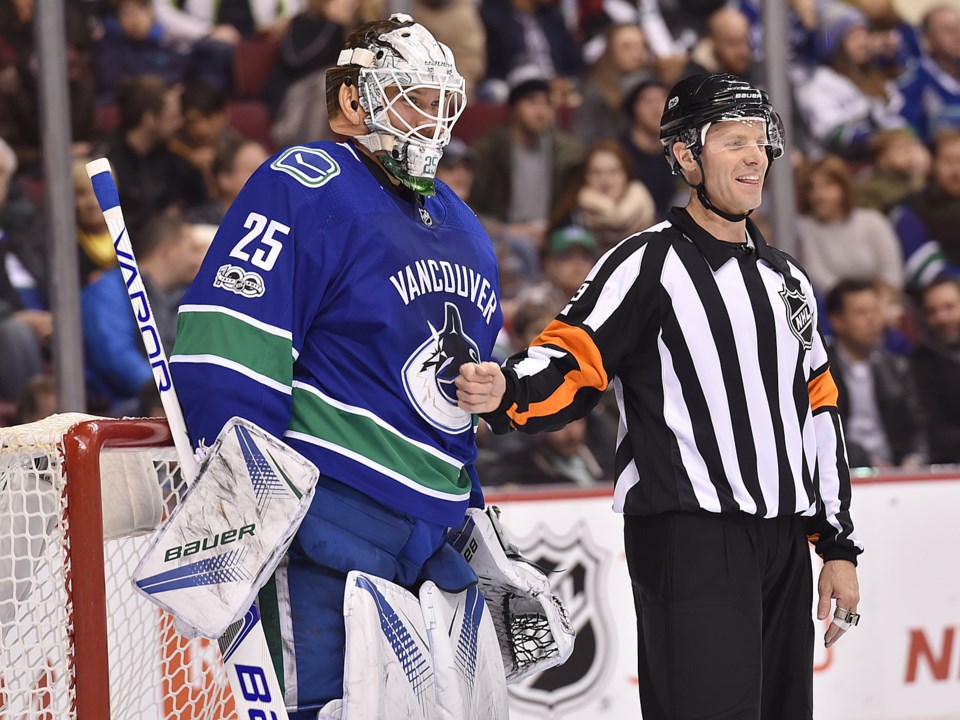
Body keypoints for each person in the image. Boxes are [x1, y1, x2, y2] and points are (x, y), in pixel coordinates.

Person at [456, 73, 862, 719]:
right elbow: (574, 356)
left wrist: (835, 546)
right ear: (685, 156)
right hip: (691, 537)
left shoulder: (787, 280)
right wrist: (509, 387)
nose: (755, 156)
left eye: (759, 140)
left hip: (783, 542)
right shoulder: (645, 263)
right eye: (733, 141)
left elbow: (820, 410)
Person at [169, 16, 502, 719]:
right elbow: (231, 342)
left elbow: (451, 396)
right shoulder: (305, 184)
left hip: (432, 537)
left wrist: (472, 510)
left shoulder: (465, 225)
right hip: (329, 519)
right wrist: (237, 504)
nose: (434, 123)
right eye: (414, 98)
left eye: (444, 104)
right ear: (354, 101)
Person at [825, 279, 927, 469]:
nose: (872, 320)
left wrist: (915, 458)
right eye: (861, 313)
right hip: (841, 471)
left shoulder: (897, 366)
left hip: (896, 471)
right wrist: (865, 462)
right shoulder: (820, 369)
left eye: (875, 311)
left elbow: (918, 426)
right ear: (836, 321)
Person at [795, 154, 903, 295]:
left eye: (828, 185)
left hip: (881, 301)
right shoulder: (804, 228)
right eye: (812, 188)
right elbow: (818, 276)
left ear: (844, 188)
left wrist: (878, 302)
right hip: (836, 306)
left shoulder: (873, 221)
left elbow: (892, 275)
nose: (818, 195)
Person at [912, 275, 960, 463]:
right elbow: (932, 431)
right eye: (932, 311)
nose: (941, 318)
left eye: (949, 307)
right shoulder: (919, 364)